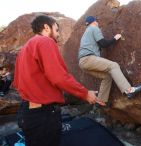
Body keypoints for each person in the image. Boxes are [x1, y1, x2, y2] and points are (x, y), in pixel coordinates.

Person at [13, 15, 104, 146]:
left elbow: (17, 82)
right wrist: (85, 93)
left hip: (26, 112)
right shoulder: (45, 42)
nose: (58, 35)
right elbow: (59, 77)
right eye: (56, 30)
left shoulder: (24, 49)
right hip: (43, 115)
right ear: (46, 27)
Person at [78, 16, 141, 105]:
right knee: (113, 65)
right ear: (94, 22)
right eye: (97, 21)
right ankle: (129, 90)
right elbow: (103, 44)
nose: (98, 23)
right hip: (88, 59)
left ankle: (101, 100)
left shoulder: (86, 33)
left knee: (107, 76)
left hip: (83, 63)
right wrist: (115, 38)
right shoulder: (94, 28)